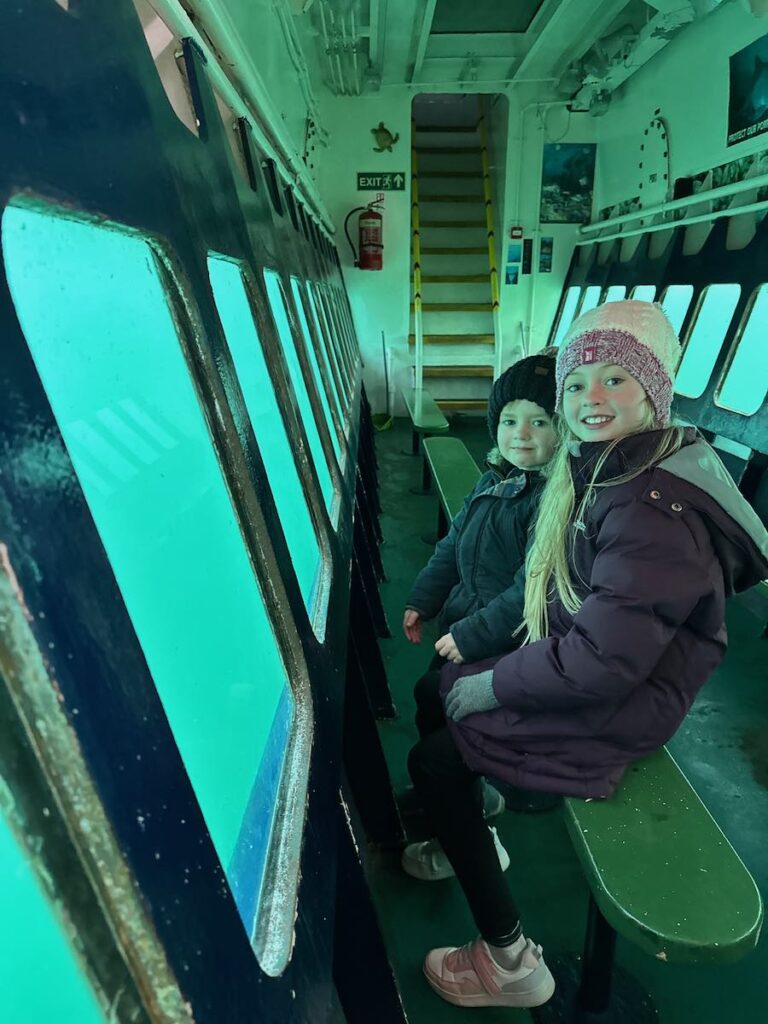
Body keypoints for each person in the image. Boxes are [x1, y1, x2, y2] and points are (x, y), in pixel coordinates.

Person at [405, 300, 768, 1010]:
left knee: (432, 758)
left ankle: (508, 961)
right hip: (597, 665)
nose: (589, 400)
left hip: (622, 700)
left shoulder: (648, 507)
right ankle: (466, 825)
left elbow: (606, 660)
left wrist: (495, 685)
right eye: (576, 385)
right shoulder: (618, 468)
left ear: (654, 392)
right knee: (433, 693)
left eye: (614, 381)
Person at [399, 354, 557, 844]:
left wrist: (470, 636)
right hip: (463, 625)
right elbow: (453, 544)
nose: (521, 433)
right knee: (428, 698)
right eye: (510, 420)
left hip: (504, 644)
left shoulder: (550, 501)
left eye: (539, 421)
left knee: (449, 720)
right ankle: (458, 794)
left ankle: (465, 803)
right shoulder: (493, 480)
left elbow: (531, 592)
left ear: (563, 431)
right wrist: (424, 597)